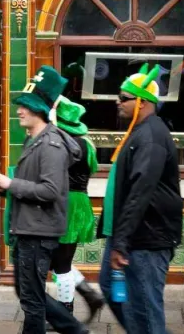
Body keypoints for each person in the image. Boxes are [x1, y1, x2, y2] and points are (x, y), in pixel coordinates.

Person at [0, 66, 89, 334]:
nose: (19, 110)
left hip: (38, 231)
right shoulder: (33, 140)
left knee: (32, 302)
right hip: (27, 228)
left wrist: (12, 184)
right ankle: (74, 329)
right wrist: (5, 187)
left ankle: (73, 329)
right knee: (27, 292)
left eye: (27, 107)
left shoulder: (51, 145)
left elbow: (50, 190)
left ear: (41, 111)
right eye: (21, 105)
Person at [96, 64, 183, 334]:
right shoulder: (140, 131)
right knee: (112, 288)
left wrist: (122, 242)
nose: (117, 102)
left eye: (123, 98)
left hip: (145, 237)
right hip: (128, 234)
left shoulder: (151, 136)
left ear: (142, 102)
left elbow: (140, 192)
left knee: (144, 307)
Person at [50, 96, 105, 323]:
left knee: (60, 264)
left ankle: (66, 315)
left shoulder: (64, 143)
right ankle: (89, 294)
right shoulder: (87, 144)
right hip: (80, 201)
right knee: (59, 259)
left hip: (66, 203)